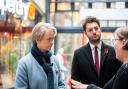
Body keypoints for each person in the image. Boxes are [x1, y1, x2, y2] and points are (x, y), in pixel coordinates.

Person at [71, 16, 122, 88]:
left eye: (96, 28)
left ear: (100, 29)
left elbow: (120, 78)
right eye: (90, 30)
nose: (94, 32)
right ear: (85, 33)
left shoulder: (113, 51)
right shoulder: (78, 54)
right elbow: (74, 83)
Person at [15, 22, 65, 89]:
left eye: (53, 39)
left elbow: (61, 84)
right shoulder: (24, 63)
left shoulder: (55, 60)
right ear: (37, 39)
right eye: (49, 39)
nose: (52, 42)